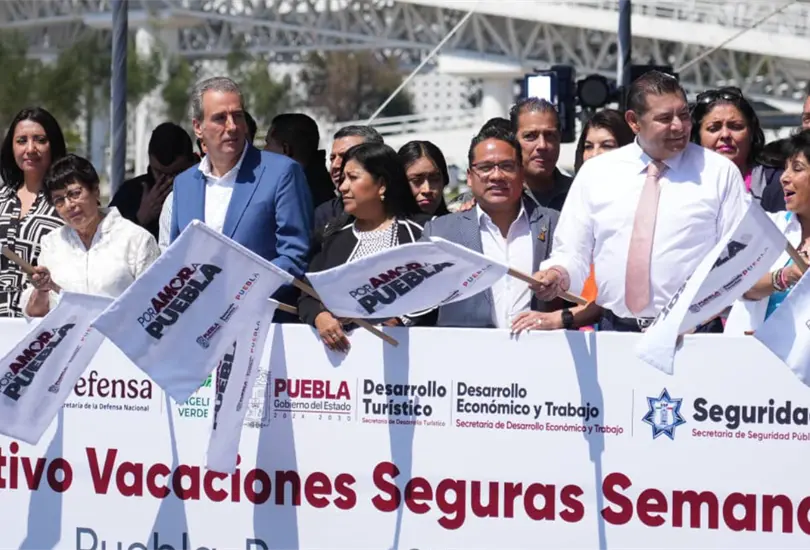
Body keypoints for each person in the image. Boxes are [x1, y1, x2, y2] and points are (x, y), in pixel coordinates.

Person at [532, 70, 749, 332]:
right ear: (634, 121)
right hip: (616, 329)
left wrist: (701, 315)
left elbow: (738, 256)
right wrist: (557, 275)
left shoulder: (718, 172)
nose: (679, 126)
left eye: (683, 114)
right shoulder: (597, 173)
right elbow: (572, 250)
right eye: (665, 118)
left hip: (693, 332)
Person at [170, 76, 313, 315]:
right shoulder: (184, 184)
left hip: (261, 323)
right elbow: (177, 260)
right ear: (198, 127)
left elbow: (295, 255)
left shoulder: (282, 173)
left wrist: (240, 293)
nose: (232, 126)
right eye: (219, 118)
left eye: (237, 116)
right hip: (198, 326)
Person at [421, 126, 560, 330]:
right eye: (485, 167)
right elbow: (412, 303)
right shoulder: (439, 233)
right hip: (466, 355)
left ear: (522, 173)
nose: (496, 176)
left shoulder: (554, 224)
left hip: (539, 353)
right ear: (469, 177)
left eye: (507, 166)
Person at [298, 143, 429, 352]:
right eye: (343, 179)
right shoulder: (334, 239)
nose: (342, 187)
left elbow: (442, 291)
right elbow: (307, 295)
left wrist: (401, 321)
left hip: (413, 362)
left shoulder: (422, 232)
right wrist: (319, 317)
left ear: (382, 185)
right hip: (346, 364)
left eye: (353, 177)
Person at [527, 109, 633, 332]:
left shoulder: (643, 204)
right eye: (588, 146)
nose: (595, 154)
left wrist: (561, 319)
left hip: (620, 328)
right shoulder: (574, 201)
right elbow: (570, 256)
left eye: (607, 145)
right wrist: (554, 275)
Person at [21, 154, 160, 317]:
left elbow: (156, 304)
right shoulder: (51, 244)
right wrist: (42, 290)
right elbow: (34, 314)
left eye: (75, 193)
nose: (69, 205)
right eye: (59, 200)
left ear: (95, 190)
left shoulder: (136, 239)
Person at [726, 130, 810, 333]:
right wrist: (784, 276)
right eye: (785, 168)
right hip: (754, 357)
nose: (784, 177)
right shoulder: (768, 226)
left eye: (797, 169)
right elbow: (739, 285)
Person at [448, 98, 573, 212]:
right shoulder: (474, 205)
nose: (542, 145)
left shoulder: (579, 193)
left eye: (550, 136)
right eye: (530, 136)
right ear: (513, 140)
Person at [0, 107, 67, 317]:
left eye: (39, 140)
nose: (30, 149)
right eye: (21, 141)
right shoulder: (2, 197)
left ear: (53, 145)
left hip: (40, 325)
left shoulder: (66, 203)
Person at [691, 87, 778, 208]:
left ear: (751, 133)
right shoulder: (681, 183)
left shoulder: (777, 183)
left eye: (736, 126)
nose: (725, 135)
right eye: (713, 128)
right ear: (697, 136)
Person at [110, 122, 197, 240]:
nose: (167, 181)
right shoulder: (130, 193)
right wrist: (140, 218)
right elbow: (108, 243)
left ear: (191, 164)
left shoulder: (204, 191)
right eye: (159, 173)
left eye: (176, 174)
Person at [313, 125, 384, 231]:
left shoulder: (405, 215)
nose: (335, 165)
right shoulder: (324, 215)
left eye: (345, 156)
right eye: (332, 158)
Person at [265, 113, 334, 209]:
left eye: (268, 143)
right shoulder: (326, 191)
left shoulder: (295, 198)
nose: (264, 151)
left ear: (286, 149)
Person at [397, 141, 450, 216]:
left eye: (435, 179)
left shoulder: (460, 225)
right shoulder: (382, 226)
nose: (427, 190)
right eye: (416, 180)